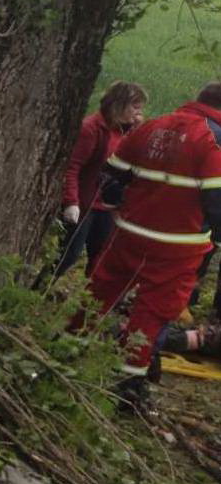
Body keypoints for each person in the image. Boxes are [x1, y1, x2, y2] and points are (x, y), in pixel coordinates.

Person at [80, 82, 221, 407]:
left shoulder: (153, 126)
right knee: (152, 311)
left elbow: (110, 176)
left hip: (128, 233)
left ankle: (69, 347)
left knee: (99, 292)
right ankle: (128, 385)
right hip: (177, 246)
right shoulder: (213, 139)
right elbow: (217, 203)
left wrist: (123, 208)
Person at [50, 82, 147, 282]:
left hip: (108, 206)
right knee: (69, 254)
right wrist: (71, 202)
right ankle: (40, 288)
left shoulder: (126, 132)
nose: (138, 113)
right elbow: (72, 167)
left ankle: (90, 301)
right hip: (87, 204)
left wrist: (137, 131)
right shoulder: (92, 128)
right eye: (135, 107)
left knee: (101, 255)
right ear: (119, 105)